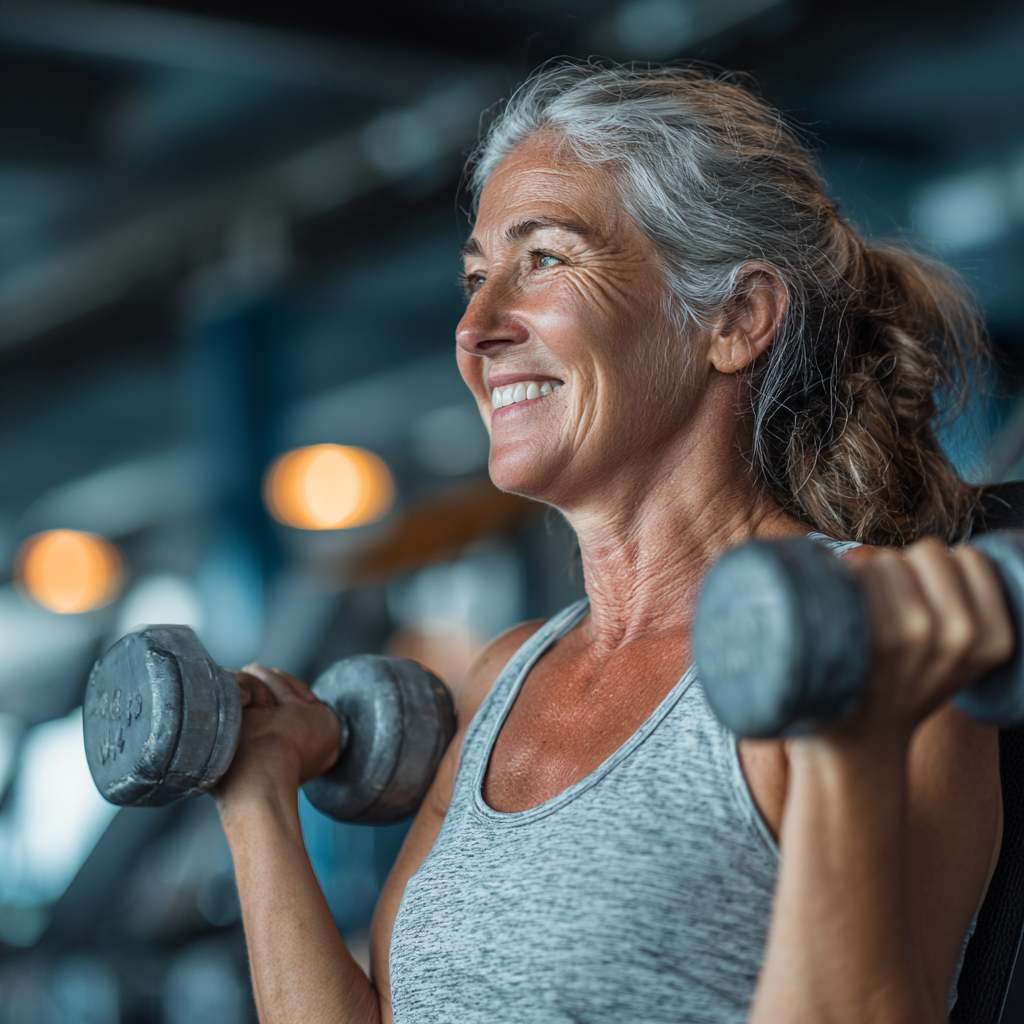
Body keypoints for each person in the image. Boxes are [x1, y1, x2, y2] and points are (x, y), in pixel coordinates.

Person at [215, 63, 1012, 1024]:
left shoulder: (869, 643)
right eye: (474, 277)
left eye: (544, 258)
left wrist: (850, 747)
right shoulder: (506, 677)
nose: (474, 328)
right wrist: (257, 799)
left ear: (734, 318)